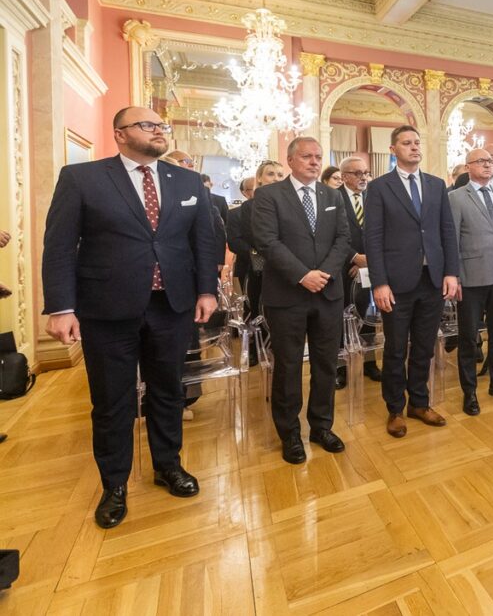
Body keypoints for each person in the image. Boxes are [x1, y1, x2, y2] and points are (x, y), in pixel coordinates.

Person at [41, 106, 219, 529]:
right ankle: (114, 484)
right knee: (112, 401)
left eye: (162, 126)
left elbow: (204, 242)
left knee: (168, 392)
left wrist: (206, 290)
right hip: (106, 308)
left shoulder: (187, 181)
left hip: (172, 305)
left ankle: (167, 465)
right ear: (120, 133)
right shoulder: (82, 178)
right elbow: (60, 245)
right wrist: (61, 307)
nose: (159, 131)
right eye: (148, 125)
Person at [251, 137, 352, 464]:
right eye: (307, 156)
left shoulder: (332, 195)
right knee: (289, 366)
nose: (313, 162)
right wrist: (302, 275)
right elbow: (267, 241)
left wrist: (322, 272)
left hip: (328, 292)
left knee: (325, 364)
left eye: (318, 157)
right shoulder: (268, 195)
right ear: (291, 160)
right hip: (287, 295)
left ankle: (321, 426)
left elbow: (343, 239)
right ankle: (290, 433)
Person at [364, 125, 459, 438]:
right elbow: (373, 238)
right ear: (393, 149)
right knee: (394, 349)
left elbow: (447, 231)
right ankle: (395, 409)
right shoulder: (379, 187)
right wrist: (379, 283)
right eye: (407, 143)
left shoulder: (435, 185)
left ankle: (420, 402)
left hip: (431, 279)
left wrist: (451, 272)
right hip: (396, 282)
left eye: (417, 142)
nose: (414, 147)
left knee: (424, 347)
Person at [449, 147, 493, 412]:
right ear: (468, 166)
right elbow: (452, 240)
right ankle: (469, 391)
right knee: (468, 338)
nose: (488, 165)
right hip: (470, 278)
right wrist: (453, 275)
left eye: (491, 162)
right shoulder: (456, 198)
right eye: (481, 161)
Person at [336, 156, 382, 386]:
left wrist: (368, 261)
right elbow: (331, 236)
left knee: (370, 317)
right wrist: (354, 258)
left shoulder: (374, 197)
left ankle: (370, 363)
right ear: (344, 176)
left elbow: (381, 232)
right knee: (342, 318)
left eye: (366, 172)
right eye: (358, 173)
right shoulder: (334, 198)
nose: (364, 177)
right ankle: (341, 367)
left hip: (371, 270)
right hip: (344, 271)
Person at [227, 161, 285, 317]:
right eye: (270, 174)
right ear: (259, 178)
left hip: (288, 269)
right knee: (261, 314)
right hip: (262, 269)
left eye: (280, 174)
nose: (276, 178)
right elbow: (253, 237)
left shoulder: (291, 204)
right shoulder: (250, 206)